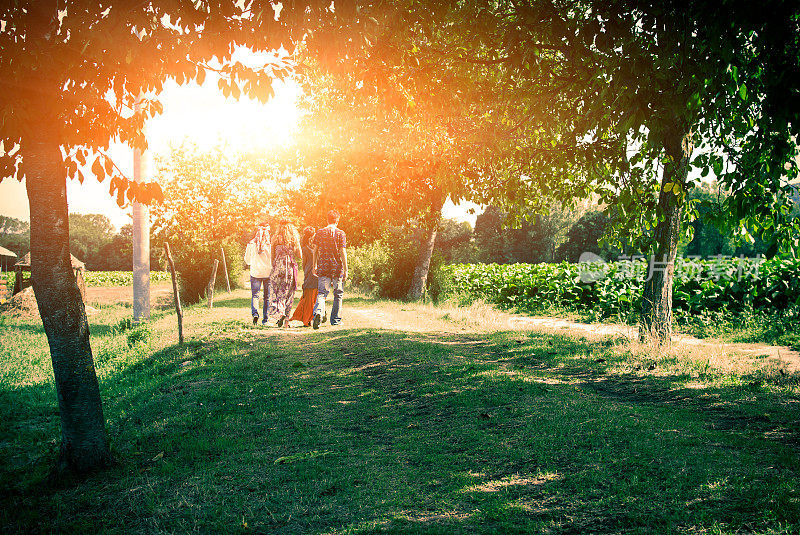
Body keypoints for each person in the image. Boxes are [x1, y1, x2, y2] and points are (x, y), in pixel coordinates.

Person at [312, 209, 347, 329]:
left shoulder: (320, 232)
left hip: (323, 266)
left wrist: (314, 265)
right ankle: (335, 320)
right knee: (338, 294)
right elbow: (343, 251)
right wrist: (346, 269)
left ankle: (318, 312)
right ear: (337, 221)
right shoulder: (341, 233)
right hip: (337, 267)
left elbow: (315, 250)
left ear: (327, 219)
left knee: (322, 293)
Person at [267, 218, 301, 327]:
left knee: (278, 292)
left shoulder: (275, 238)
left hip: (278, 267)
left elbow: (272, 256)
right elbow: (300, 255)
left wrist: (275, 265)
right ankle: (286, 321)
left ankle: (280, 313)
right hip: (290, 267)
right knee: (289, 294)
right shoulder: (294, 239)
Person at [289, 226, 319, 327]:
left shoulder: (305, 248)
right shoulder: (316, 247)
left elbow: (304, 264)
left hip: (310, 273)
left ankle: (306, 318)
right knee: (312, 297)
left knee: (308, 297)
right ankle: (308, 318)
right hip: (316, 273)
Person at [244, 222, 272, 325]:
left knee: (255, 295)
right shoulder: (270, 244)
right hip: (268, 273)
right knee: (267, 297)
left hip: (255, 272)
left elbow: (247, 260)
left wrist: (254, 262)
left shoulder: (251, 244)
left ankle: (255, 314)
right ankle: (265, 319)